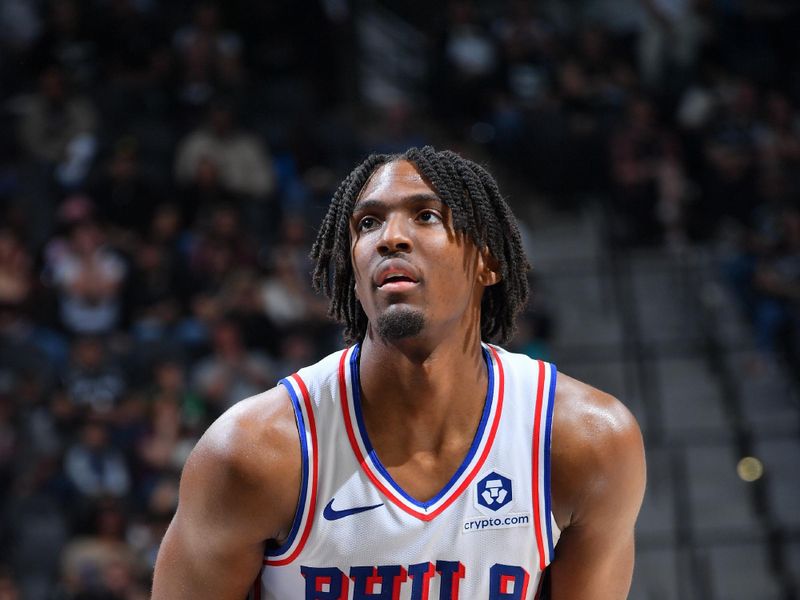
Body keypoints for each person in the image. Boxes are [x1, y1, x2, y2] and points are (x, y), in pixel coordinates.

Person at [152, 146, 646, 599]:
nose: (389, 237)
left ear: (489, 260)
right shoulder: (254, 452)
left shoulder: (583, 442)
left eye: (426, 215)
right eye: (367, 224)